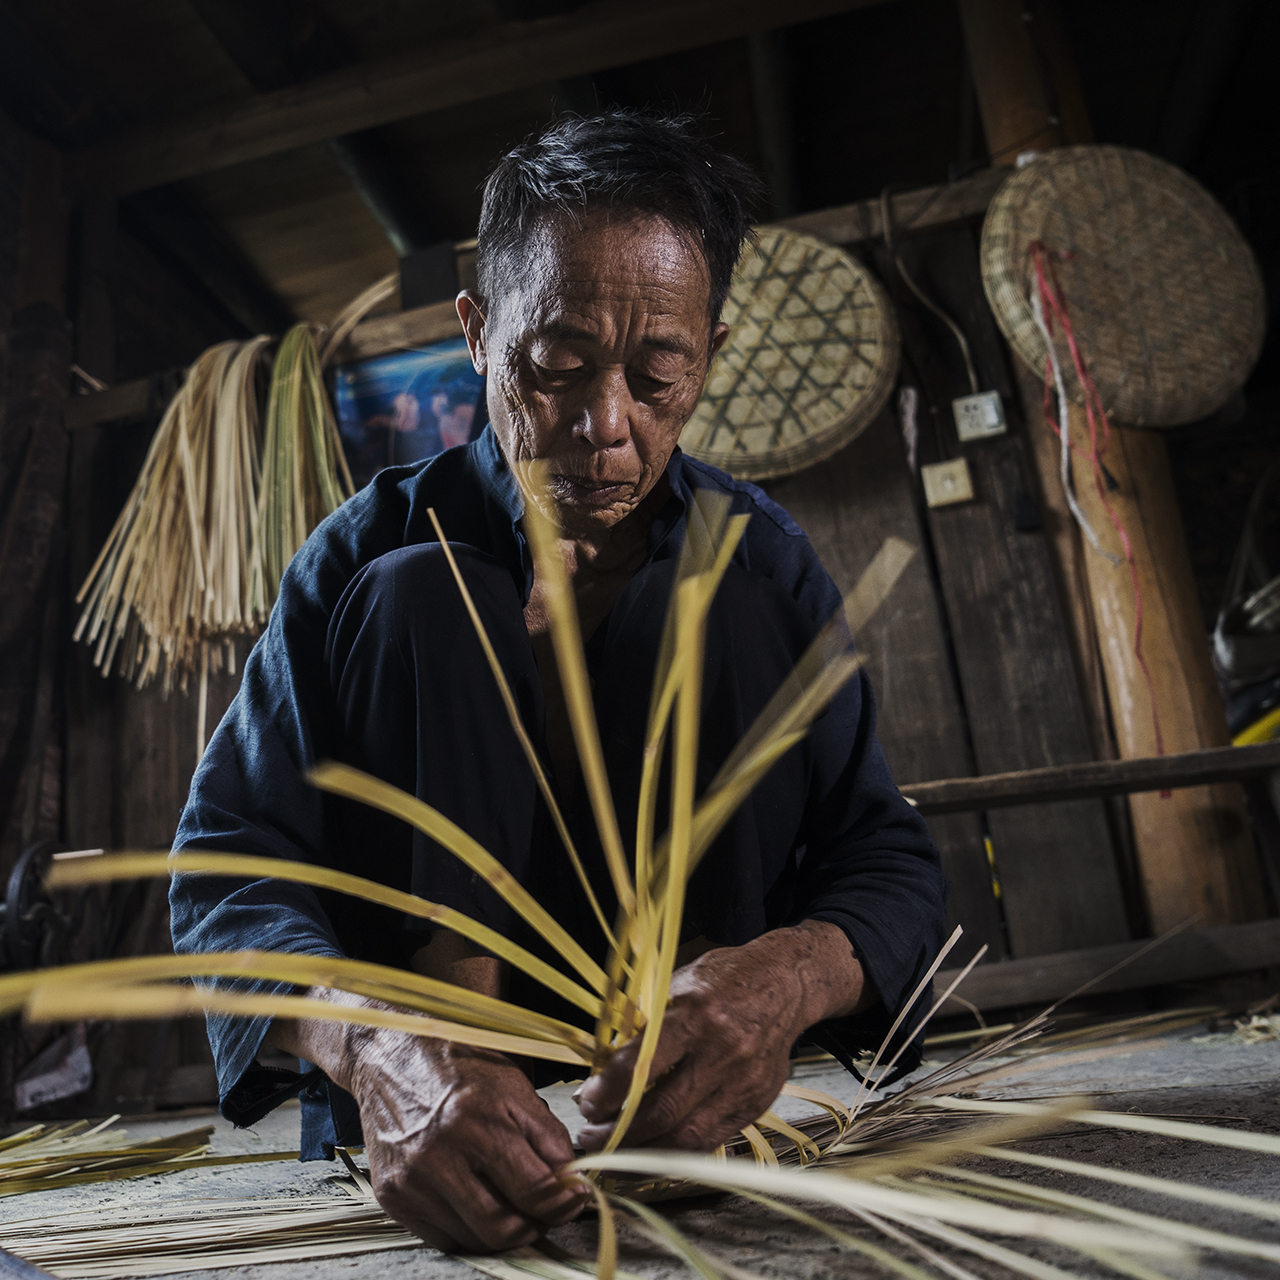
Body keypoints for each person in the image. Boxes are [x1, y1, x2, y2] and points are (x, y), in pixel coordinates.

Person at [171, 112, 947, 1255]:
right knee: (416, 594)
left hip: (686, 1135)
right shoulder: (357, 549)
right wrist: (369, 1043)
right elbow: (226, 870)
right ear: (478, 333)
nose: (608, 428)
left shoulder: (761, 554)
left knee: (718, 600)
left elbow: (887, 862)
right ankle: (451, 1060)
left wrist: (780, 983)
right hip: (418, 1126)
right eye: (557, 366)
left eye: (657, 375)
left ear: (709, 355)